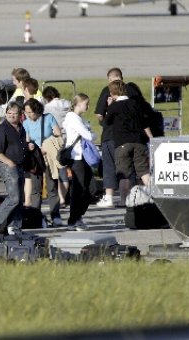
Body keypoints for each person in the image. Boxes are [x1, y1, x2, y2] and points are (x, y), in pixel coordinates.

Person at [94, 67, 139, 208]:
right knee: (128, 168)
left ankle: (109, 197)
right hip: (131, 137)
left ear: (110, 79)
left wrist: (106, 115)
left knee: (110, 167)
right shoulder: (132, 91)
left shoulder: (108, 91)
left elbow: (100, 117)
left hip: (110, 135)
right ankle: (128, 198)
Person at [0, 102, 28, 236]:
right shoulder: (1, 129)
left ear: (20, 115)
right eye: (9, 113)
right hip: (8, 166)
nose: (11, 116)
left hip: (20, 166)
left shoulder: (21, 128)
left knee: (19, 199)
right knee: (14, 198)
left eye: (15, 113)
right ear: (5, 114)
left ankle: (14, 227)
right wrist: (10, 163)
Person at [23, 98, 63, 225]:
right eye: (26, 113)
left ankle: (55, 216)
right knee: (36, 188)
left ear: (37, 110)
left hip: (49, 156)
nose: (28, 115)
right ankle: (36, 216)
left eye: (30, 112)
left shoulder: (48, 118)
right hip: (35, 157)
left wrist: (48, 146)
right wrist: (29, 146)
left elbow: (58, 135)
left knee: (52, 187)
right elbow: (26, 139)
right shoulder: (26, 123)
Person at [106, 80, 153, 188]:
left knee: (124, 175)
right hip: (139, 142)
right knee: (144, 172)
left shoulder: (114, 106)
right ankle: (153, 196)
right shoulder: (135, 104)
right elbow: (144, 123)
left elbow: (107, 122)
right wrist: (151, 137)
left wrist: (109, 106)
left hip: (122, 143)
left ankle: (124, 201)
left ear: (112, 93)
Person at [63, 94, 94, 231]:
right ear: (79, 103)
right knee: (79, 189)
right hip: (76, 158)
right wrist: (92, 133)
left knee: (90, 188)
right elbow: (88, 135)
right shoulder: (74, 119)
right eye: (86, 103)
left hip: (81, 157)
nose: (88, 106)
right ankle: (73, 220)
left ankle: (77, 217)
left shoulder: (76, 118)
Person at [43, 85, 72, 207]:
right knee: (65, 172)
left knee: (56, 172)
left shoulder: (47, 108)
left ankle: (61, 199)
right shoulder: (68, 104)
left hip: (54, 140)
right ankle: (63, 197)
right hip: (68, 139)